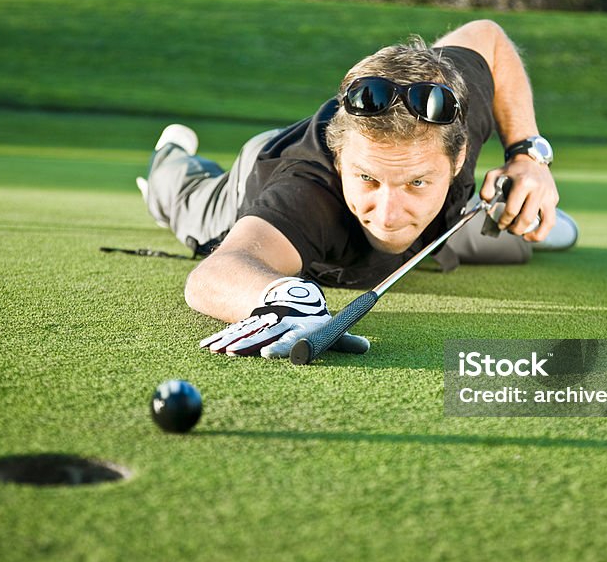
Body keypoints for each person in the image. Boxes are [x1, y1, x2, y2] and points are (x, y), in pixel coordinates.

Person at [137, 19, 578, 359]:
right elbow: (212, 276)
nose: (387, 214)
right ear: (341, 157)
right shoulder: (307, 192)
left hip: (433, 206)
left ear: (459, 158)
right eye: (367, 179)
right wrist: (282, 296)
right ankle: (173, 150)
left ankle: (521, 213)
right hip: (249, 176)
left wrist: (526, 156)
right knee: (177, 197)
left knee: (516, 237)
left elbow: (489, 36)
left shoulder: (454, 105)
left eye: (416, 181)